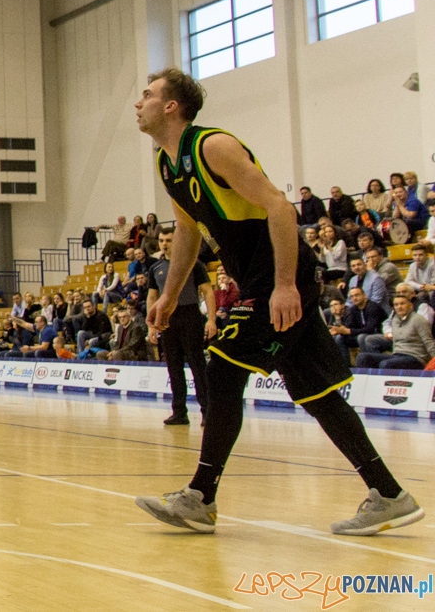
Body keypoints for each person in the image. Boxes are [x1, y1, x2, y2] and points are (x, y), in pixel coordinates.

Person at [131, 69, 421, 536]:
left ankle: (200, 497)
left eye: (147, 94)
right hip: (257, 278)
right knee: (316, 394)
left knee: (222, 370)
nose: (138, 102)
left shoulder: (212, 146)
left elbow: (280, 207)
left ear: (171, 106)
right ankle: (389, 494)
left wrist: (285, 284)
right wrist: (168, 294)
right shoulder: (168, 164)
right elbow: (186, 231)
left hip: (279, 275)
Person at [146, 249, 216, 425]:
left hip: (190, 314)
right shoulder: (155, 268)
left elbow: (207, 291)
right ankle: (179, 412)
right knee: (173, 365)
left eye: (168, 240)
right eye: (161, 240)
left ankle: (208, 411)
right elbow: (152, 296)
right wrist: (151, 326)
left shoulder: (194, 264)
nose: (164, 244)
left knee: (197, 364)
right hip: (167, 317)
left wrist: (211, 320)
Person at [353, 293, 435, 370]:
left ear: (410, 306)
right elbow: (395, 342)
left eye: (402, 304)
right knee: (362, 358)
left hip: (415, 357)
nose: (399, 307)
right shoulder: (395, 319)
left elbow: (428, 342)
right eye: (396, 304)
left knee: (386, 364)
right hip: (397, 355)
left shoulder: (419, 320)